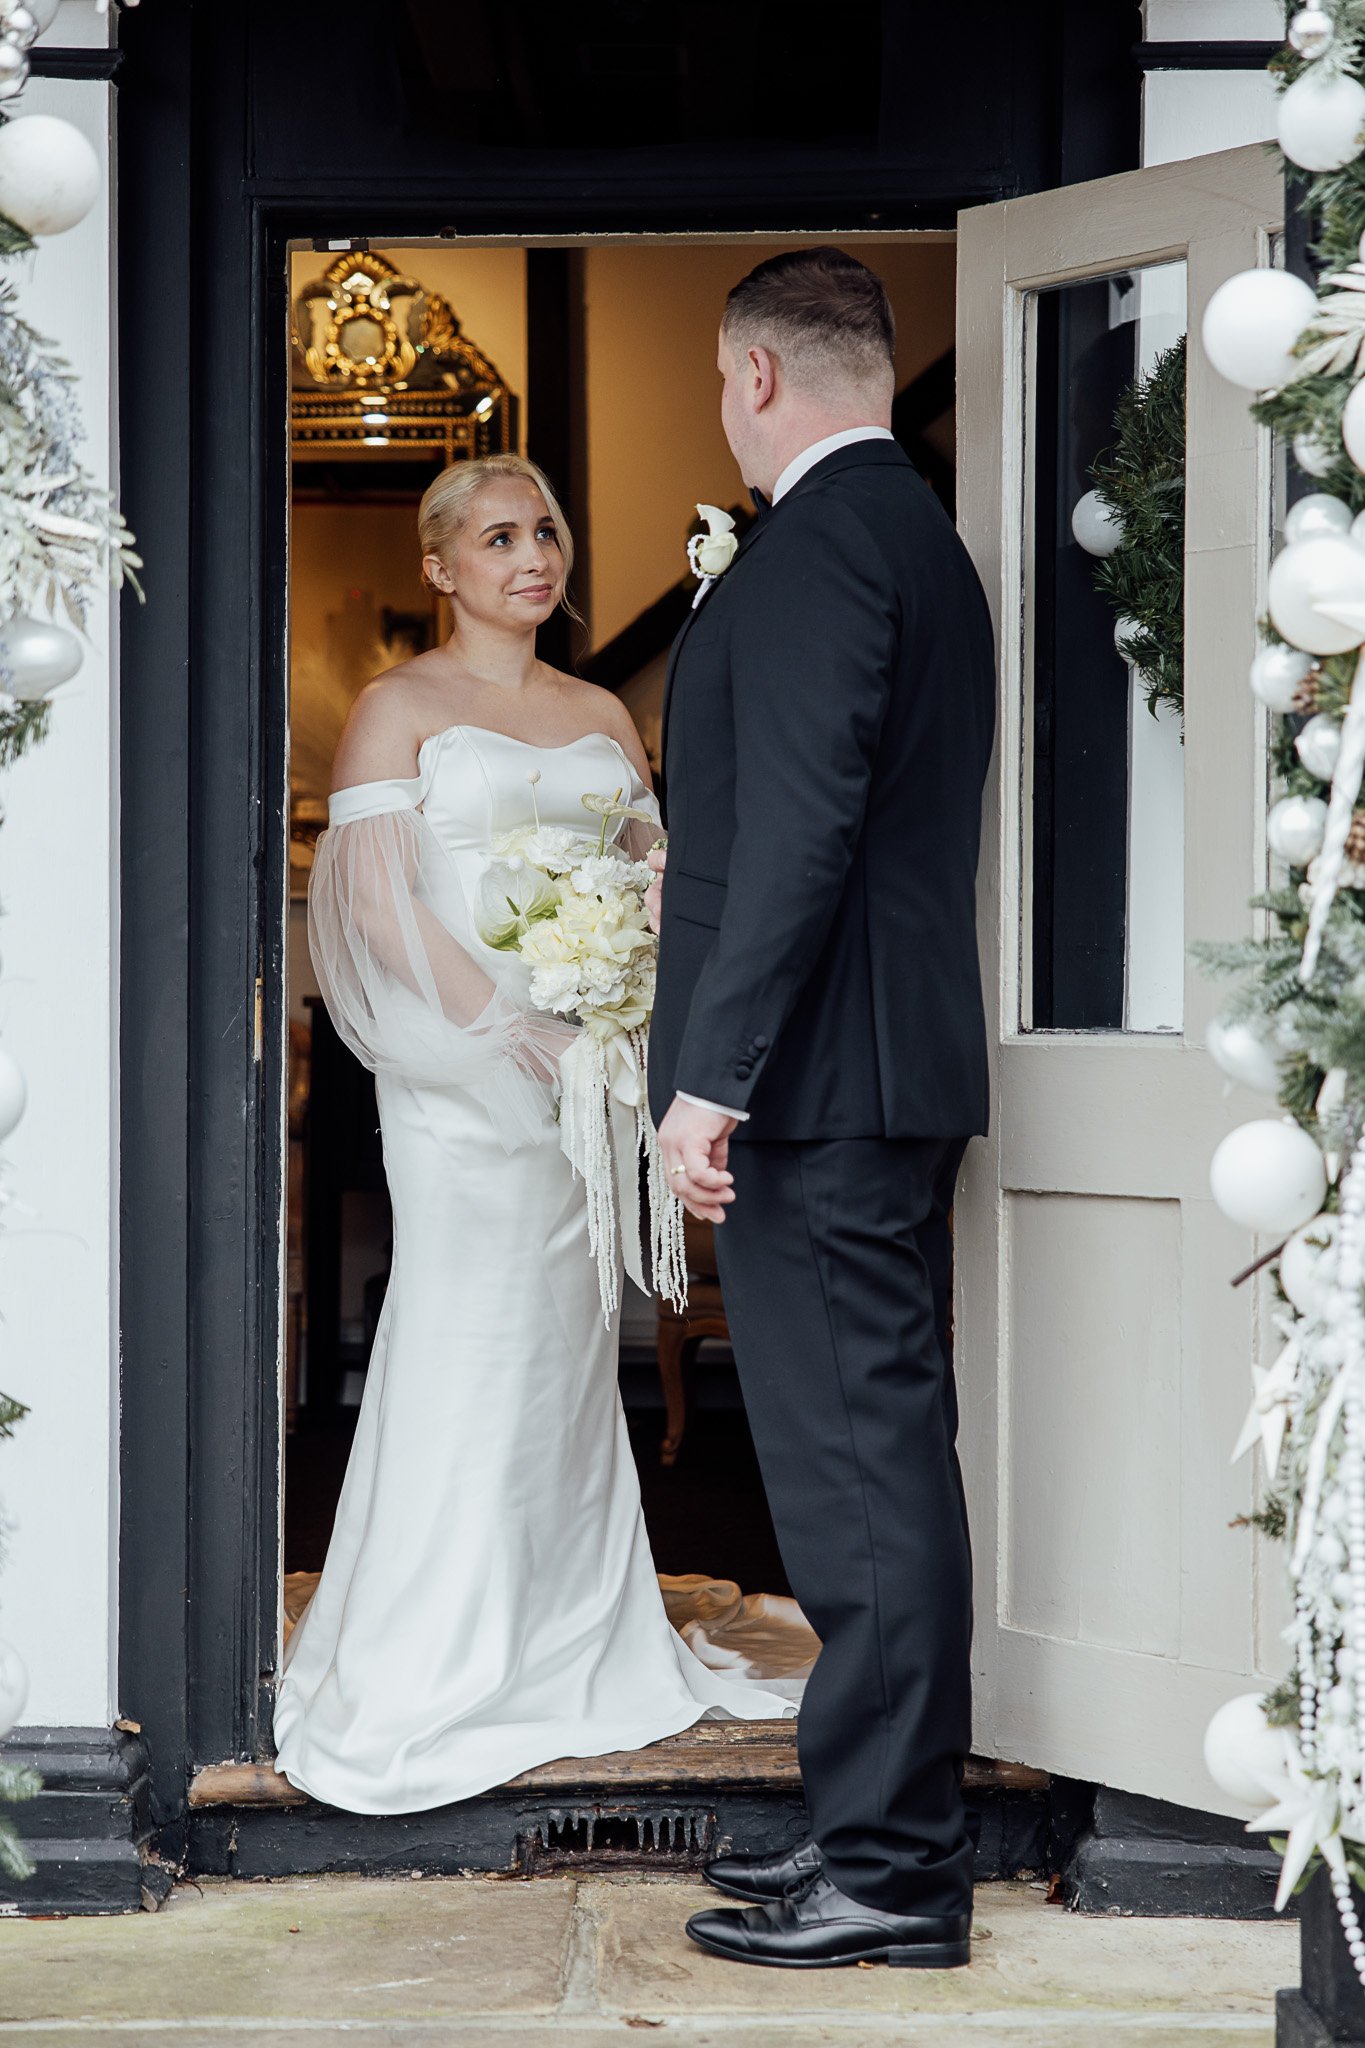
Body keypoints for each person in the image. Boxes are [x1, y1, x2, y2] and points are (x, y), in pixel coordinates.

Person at [273, 454, 793, 1815]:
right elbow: (380, 910)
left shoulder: (599, 711)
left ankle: (564, 1627)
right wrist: (516, 1029)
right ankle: (431, 1647)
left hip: (588, 1072)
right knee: (469, 1330)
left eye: (548, 530)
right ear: (439, 566)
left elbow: (646, 870)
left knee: (560, 1350)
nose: (534, 554)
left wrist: (624, 975)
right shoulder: (397, 709)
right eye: (499, 536)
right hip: (462, 1080)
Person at [646, 249, 995, 1969]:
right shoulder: (913, 539)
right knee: (864, 1470)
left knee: (860, 1483)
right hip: (868, 1068)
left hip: (819, 1088)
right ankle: (869, 1827)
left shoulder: (813, 554)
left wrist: (713, 1079)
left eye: (717, 390)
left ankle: (898, 1873)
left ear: (756, 376)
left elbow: (793, 841)